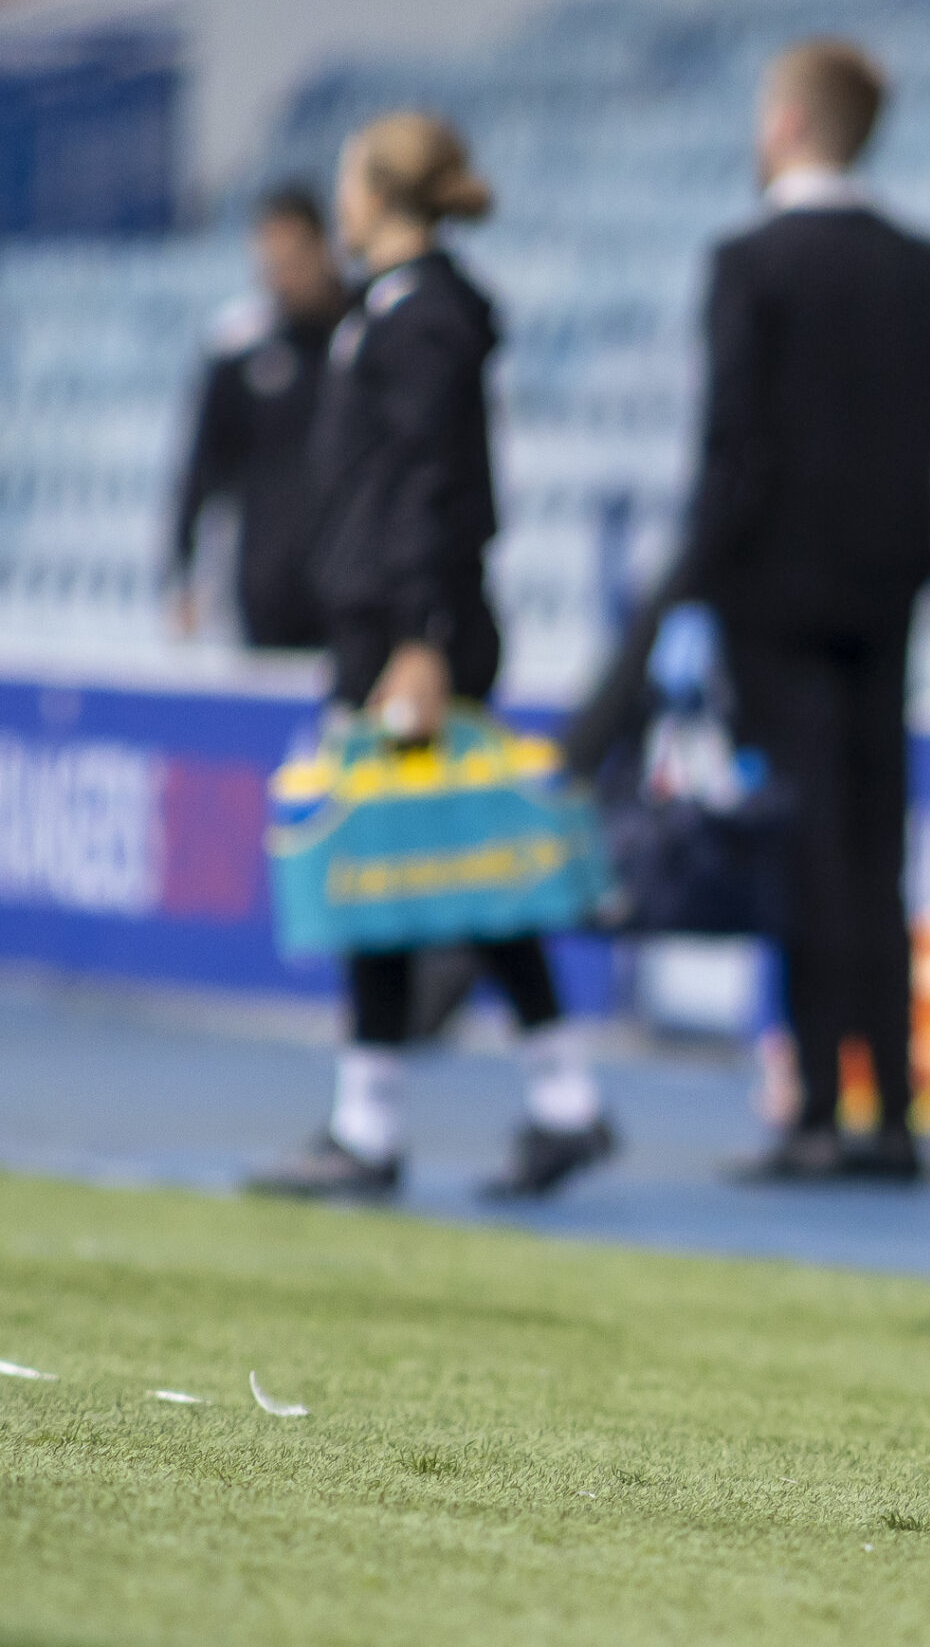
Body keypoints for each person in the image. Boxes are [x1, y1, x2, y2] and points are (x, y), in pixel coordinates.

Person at [678, 39, 930, 1181]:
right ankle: (891, 1109)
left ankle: (819, 1109)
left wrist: (695, 594)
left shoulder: (751, 260)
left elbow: (730, 448)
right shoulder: (916, 263)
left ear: (786, 122)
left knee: (802, 848)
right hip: (887, 597)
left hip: (771, 600)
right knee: (875, 855)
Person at [250, 113, 611, 1203]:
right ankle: (560, 1102)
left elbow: (430, 491)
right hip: (401, 620)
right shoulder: (400, 309)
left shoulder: (424, 321)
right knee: (446, 861)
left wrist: (419, 639)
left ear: (380, 193)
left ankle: (378, 1127)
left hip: (409, 631)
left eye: (352, 179)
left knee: (397, 861)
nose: (341, 201)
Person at [168, 183, 344, 649]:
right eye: (270, 262)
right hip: (268, 582)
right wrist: (182, 572)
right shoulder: (239, 348)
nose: (280, 276)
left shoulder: (363, 336)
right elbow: (201, 464)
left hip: (351, 582)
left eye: (292, 260)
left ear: (324, 250)